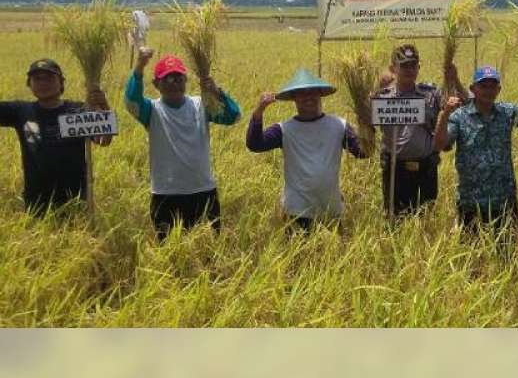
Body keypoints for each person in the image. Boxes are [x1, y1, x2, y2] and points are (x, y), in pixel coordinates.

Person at [124, 47, 241, 241]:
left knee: (209, 252)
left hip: (203, 192)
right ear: (156, 84)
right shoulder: (151, 111)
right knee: (168, 255)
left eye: (178, 78)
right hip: (166, 195)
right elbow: (131, 102)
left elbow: (233, 116)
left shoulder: (201, 105)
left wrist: (216, 91)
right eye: (167, 79)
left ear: (186, 81)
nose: (174, 83)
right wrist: (139, 67)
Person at [434, 65, 518, 233]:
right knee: (472, 254)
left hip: (504, 201)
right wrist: (444, 115)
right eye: (483, 86)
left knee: (506, 255)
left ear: (499, 89)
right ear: (473, 89)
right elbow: (439, 145)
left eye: (492, 86)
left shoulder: (507, 112)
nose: (488, 90)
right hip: (471, 203)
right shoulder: (459, 117)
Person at [246, 68, 368, 231]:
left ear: (320, 94)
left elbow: (363, 152)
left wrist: (366, 120)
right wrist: (259, 110)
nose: (308, 97)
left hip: (330, 210)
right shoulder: (284, 130)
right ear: (294, 98)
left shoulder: (339, 125)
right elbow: (255, 144)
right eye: (302, 93)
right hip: (297, 211)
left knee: (332, 256)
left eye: (312, 92)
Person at [0, 58, 111, 216]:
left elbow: (104, 140)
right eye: (37, 79)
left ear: (61, 83)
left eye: (49, 78)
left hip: (75, 201)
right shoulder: (21, 111)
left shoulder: (78, 111)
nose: (43, 83)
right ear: (29, 84)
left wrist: (103, 106)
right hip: (36, 203)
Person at [375, 43, 466, 217]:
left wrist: (453, 80)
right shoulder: (382, 97)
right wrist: (376, 85)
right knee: (395, 219)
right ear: (393, 68)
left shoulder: (431, 94)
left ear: (419, 67)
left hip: (425, 168)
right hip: (395, 170)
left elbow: (465, 103)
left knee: (426, 218)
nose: (409, 70)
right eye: (404, 65)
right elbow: (366, 121)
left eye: (413, 65)